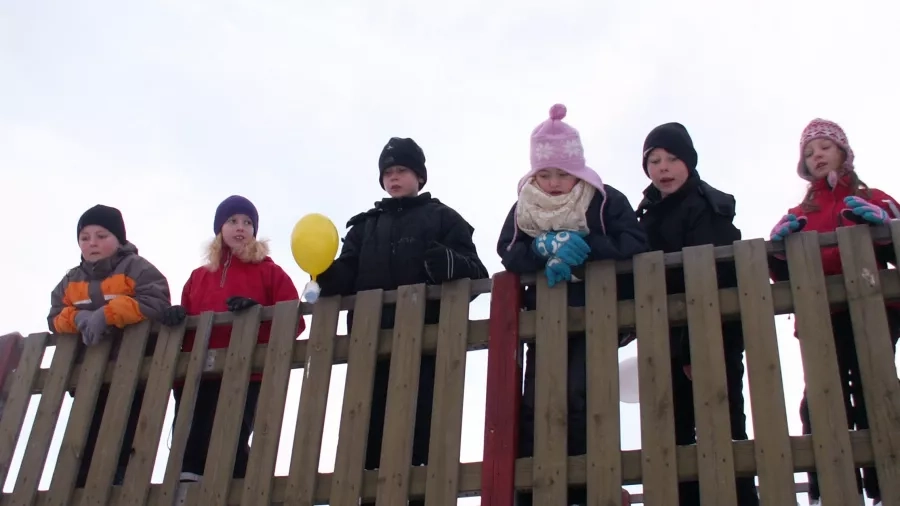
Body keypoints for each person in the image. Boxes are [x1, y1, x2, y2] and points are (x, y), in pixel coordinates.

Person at [316, 136, 489, 506]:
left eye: (402, 171)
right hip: (370, 346)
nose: (394, 178)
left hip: (428, 346)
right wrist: (327, 277)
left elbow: (477, 273)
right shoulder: (365, 227)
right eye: (388, 172)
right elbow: (346, 271)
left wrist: (452, 264)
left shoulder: (443, 218)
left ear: (420, 177)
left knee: (421, 433)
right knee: (367, 433)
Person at [497, 104, 647, 506]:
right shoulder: (526, 206)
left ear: (576, 170)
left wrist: (587, 248)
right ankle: (533, 488)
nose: (553, 182)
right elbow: (508, 250)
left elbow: (634, 242)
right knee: (537, 401)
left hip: (595, 315)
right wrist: (543, 246)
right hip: (544, 318)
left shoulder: (601, 199)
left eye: (561, 173)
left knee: (582, 395)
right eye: (545, 174)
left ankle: (582, 486)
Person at [769, 118, 900, 506]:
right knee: (821, 396)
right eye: (809, 153)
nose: (817, 156)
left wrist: (886, 227)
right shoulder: (799, 211)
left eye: (824, 147)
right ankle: (827, 488)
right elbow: (780, 273)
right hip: (820, 312)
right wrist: (778, 249)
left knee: (873, 387)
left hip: (873, 307)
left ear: (843, 152)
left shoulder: (873, 197)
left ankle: (882, 486)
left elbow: (897, 247)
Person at [635, 122, 758, 506]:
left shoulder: (705, 206)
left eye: (673, 159)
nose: (664, 168)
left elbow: (710, 279)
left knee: (723, 424)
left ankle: (740, 500)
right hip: (667, 337)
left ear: (688, 163)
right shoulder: (650, 212)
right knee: (676, 432)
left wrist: (692, 349)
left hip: (712, 332)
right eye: (654, 161)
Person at [160, 195, 305, 482]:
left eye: (247, 222)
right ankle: (188, 490)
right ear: (219, 228)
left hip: (246, 370)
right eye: (232, 221)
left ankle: (238, 488)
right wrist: (177, 319)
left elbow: (294, 321)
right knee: (191, 437)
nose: (240, 228)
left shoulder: (269, 272)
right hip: (199, 373)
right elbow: (188, 324)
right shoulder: (198, 277)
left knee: (231, 434)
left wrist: (257, 317)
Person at [48, 204, 172, 487]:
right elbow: (54, 315)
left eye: (101, 236)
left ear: (118, 239)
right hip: (89, 373)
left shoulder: (135, 268)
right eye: (85, 237)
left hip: (134, 370)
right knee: (84, 436)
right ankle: (79, 485)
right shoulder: (71, 280)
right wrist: (78, 318)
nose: (92, 243)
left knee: (124, 433)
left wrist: (107, 314)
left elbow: (156, 301)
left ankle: (117, 482)